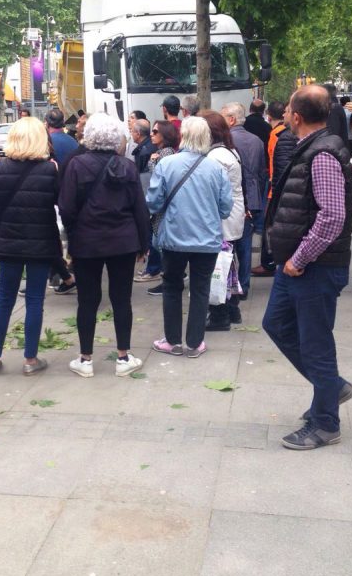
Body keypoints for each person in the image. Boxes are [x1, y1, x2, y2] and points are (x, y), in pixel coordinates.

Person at [262, 85, 352, 450]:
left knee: (316, 343)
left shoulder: (323, 154)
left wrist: (300, 259)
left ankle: (325, 423)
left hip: (313, 266)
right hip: (297, 266)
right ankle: (331, 388)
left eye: (288, 108)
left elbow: (332, 217)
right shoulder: (312, 148)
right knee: (275, 323)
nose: (284, 112)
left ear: (296, 116)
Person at [59, 113, 150, 378]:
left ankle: (85, 358)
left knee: (87, 300)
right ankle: (123, 356)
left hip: (87, 242)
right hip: (123, 241)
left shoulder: (76, 165)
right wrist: (144, 244)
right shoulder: (128, 167)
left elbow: (66, 206)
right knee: (122, 299)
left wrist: (73, 235)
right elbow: (139, 209)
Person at [147, 116, 233, 356]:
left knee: (172, 286)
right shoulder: (216, 168)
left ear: (183, 136)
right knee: (200, 289)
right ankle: (194, 343)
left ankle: (172, 342)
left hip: (174, 238)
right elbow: (226, 208)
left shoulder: (166, 164)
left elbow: (153, 202)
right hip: (207, 239)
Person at [0, 116, 61, 376]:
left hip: (7, 241)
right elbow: (58, 202)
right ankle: (30, 359)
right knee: (35, 300)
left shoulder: (0, 168)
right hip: (40, 242)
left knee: (4, 299)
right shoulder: (50, 169)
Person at [199, 110, 245, 331]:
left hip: (223, 219)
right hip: (232, 217)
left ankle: (220, 315)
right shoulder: (228, 151)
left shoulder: (215, 157)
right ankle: (232, 309)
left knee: (219, 267)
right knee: (228, 266)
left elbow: (214, 193)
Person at [222, 101, 267, 299]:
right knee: (246, 245)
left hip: (236, 197)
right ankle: (244, 285)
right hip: (254, 196)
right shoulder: (257, 140)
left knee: (229, 244)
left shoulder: (227, 141)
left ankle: (231, 285)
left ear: (231, 119)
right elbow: (261, 170)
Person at [252, 101, 297, 278]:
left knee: (269, 226)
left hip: (274, 186)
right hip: (275, 184)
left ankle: (269, 262)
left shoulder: (277, 134)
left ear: (269, 115)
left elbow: (277, 165)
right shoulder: (282, 133)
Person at [135, 119, 180, 285]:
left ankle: (172, 277)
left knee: (159, 243)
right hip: (160, 207)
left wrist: (153, 162)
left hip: (162, 207)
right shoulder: (162, 151)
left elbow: (161, 178)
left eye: (155, 132)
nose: (152, 135)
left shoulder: (165, 153)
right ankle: (171, 275)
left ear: (165, 135)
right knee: (156, 242)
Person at [244, 98, 272, 165]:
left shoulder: (243, 123)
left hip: (245, 161)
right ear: (263, 111)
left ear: (250, 110)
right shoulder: (267, 127)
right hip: (262, 161)